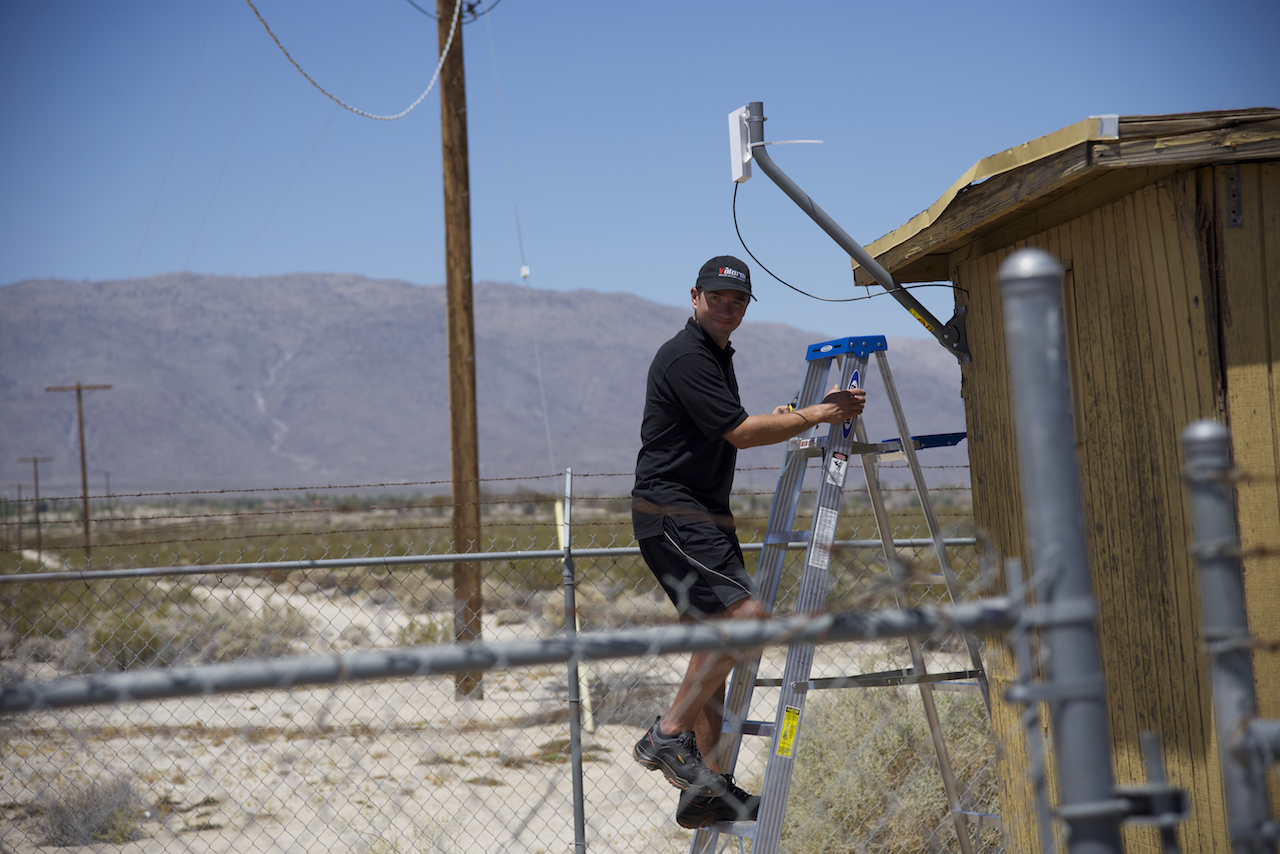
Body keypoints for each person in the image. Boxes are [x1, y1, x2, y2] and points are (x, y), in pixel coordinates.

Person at [630, 255, 866, 828]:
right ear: (694, 296)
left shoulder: (716, 355)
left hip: (702, 515)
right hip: (674, 513)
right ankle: (664, 736)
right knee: (749, 618)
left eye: (738, 302)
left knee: (713, 649)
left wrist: (787, 416)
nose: (728, 309)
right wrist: (815, 414)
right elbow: (739, 433)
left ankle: (707, 787)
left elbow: (731, 424)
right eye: (718, 299)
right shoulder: (686, 355)